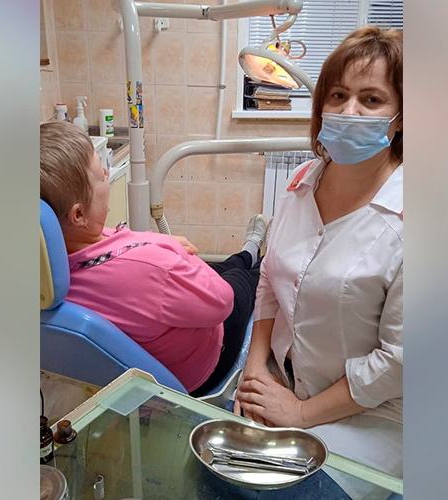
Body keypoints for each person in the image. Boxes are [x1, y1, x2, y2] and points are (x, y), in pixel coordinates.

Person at [234, 26, 403, 497]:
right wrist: (255, 366)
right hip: (286, 384)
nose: (349, 111)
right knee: (210, 475)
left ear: (401, 118)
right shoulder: (303, 182)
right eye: (338, 95)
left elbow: (400, 361)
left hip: (374, 416)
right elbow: (269, 278)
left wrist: (300, 414)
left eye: (371, 99)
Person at [40, 120, 268, 395]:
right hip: (208, 358)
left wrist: (164, 247)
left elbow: (124, 247)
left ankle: (247, 251)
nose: (107, 172)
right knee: (244, 278)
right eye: (100, 175)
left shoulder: (51, 267)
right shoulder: (153, 269)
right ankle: (262, 259)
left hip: (163, 296)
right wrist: (172, 251)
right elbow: (222, 301)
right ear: (78, 215)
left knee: (227, 266)